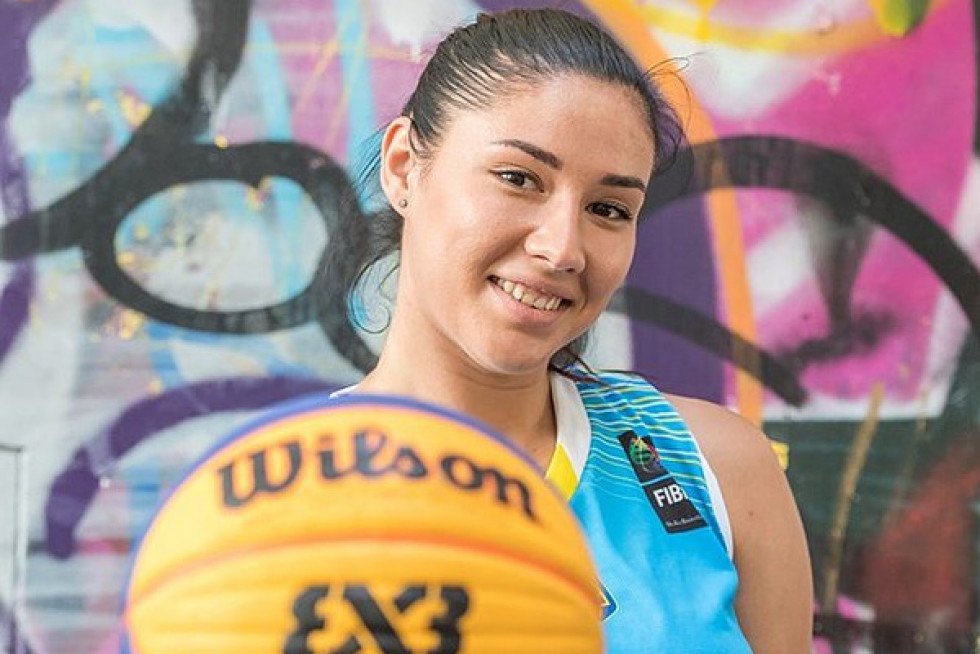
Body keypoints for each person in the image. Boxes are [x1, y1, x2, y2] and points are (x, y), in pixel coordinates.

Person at [319, 7, 813, 652]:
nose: (562, 249)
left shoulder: (715, 467)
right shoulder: (276, 503)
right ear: (403, 165)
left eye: (608, 209)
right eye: (518, 179)